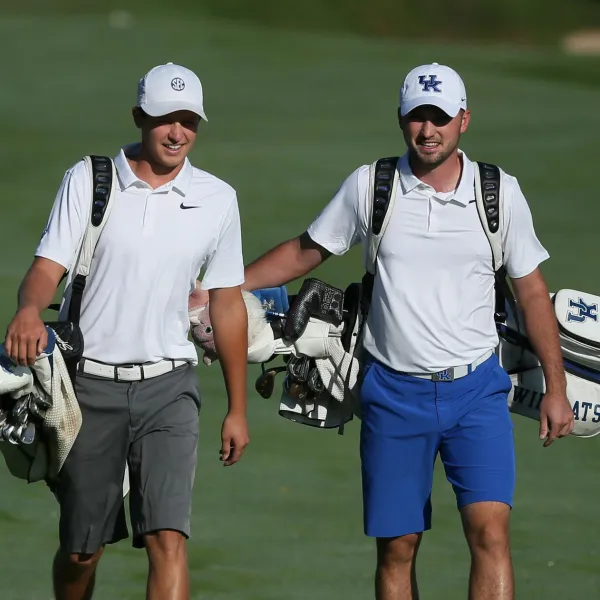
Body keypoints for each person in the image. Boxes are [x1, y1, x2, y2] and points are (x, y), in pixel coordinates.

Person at [239, 63, 575, 599]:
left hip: (477, 391)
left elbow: (532, 291)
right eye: (417, 117)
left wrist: (555, 387)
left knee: (490, 531)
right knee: (397, 546)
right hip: (393, 393)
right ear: (401, 120)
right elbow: (307, 250)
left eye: (440, 117)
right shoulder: (372, 186)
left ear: (464, 120)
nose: (428, 130)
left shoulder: (498, 193)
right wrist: (226, 287)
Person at [4, 62, 250, 600]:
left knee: (168, 537)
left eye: (189, 121)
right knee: (81, 549)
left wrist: (236, 407)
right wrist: (28, 310)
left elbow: (228, 305)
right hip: (89, 388)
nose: (178, 132)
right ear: (140, 116)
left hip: (171, 387)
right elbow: (48, 266)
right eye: (166, 118)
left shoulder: (217, 198)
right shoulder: (91, 180)